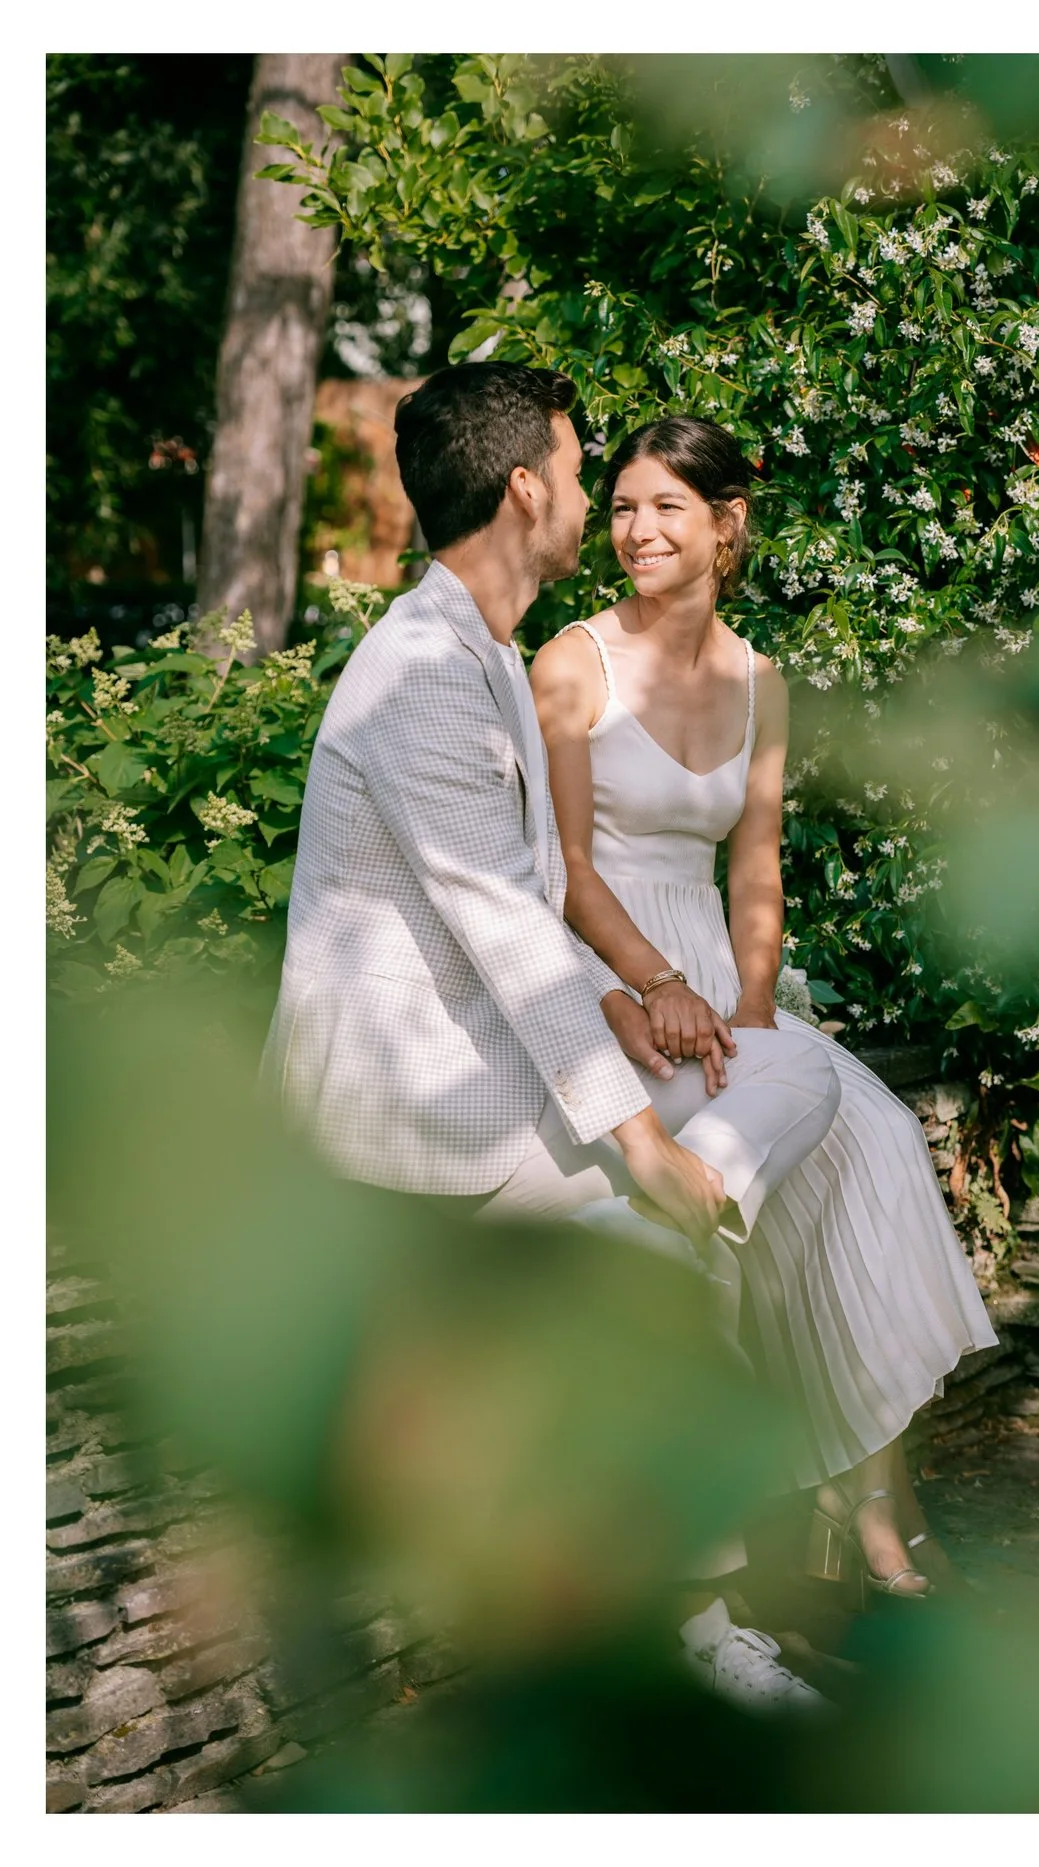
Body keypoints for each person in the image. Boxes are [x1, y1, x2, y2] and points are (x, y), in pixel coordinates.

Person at [262, 362, 836, 1711]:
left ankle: (707, 1208)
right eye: (582, 472)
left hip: (503, 1066)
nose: (595, 498)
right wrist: (640, 1143)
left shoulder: (491, 648)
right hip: (414, 1112)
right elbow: (508, 941)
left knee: (800, 1062)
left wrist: (630, 1006)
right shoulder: (420, 673)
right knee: (648, 1248)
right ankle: (688, 1622)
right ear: (527, 490)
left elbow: (534, 908)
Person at [529, 415, 998, 1614]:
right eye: (623, 505)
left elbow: (757, 869)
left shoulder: (761, 680)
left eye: (664, 508)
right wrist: (658, 988)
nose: (633, 528)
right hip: (605, 969)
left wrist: (750, 1012)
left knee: (875, 1144)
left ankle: (869, 1500)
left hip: (718, 979)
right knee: (743, 1208)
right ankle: (800, 1533)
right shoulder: (570, 663)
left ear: (726, 528)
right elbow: (564, 870)